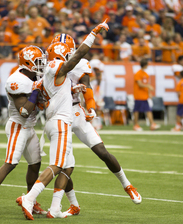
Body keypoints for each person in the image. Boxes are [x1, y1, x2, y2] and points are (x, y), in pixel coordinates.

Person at [16, 20, 109, 221]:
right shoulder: (59, 66)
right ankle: (29, 198)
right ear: (61, 55)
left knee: (67, 166)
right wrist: (93, 34)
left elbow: (56, 92)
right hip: (60, 122)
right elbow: (77, 56)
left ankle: (57, 207)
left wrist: (76, 90)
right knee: (57, 165)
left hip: (53, 121)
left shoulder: (47, 76)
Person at [48, 34, 142, 217]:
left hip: (75, 111)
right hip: (58, 114)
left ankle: (127, 184)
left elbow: (87, 86)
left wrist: (90, 107)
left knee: (101, 151)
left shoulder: (80, 63)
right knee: (65, 164)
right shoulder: (49, 65)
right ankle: (73, 204)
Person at [0, 45, 47, 218]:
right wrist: (36, 91)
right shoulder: (17, 80)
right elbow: (24, 111)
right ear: (28, 63)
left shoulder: (34, 76)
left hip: (29, 127)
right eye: (37, 62)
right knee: (11, 163)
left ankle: (30, 199)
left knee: (35, 164)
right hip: (18, 125)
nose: (41, 65)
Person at [133, 58, 160, 131]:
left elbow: (146, 84)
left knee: (148, 110)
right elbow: (140, 84)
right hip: (138, 95)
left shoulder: (146, 74)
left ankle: (152, 124)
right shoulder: (138, 74)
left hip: (144, 96)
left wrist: (149, 93)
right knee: (137, 111)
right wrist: (148, 86)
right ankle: (136, 125)